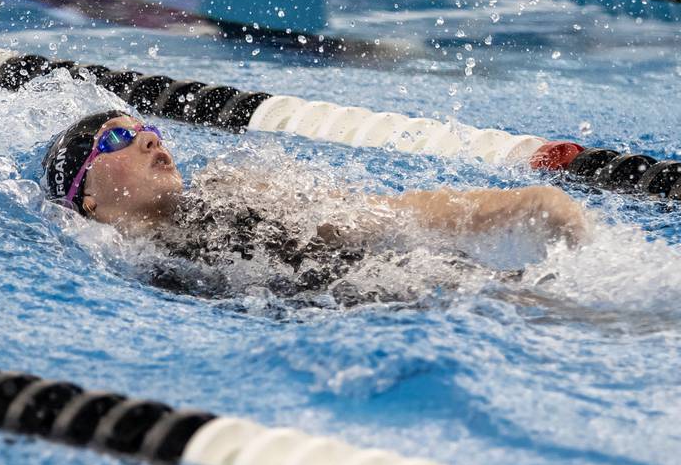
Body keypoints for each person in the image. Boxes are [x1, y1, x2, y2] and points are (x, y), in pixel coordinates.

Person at [41, 110, 588, 305]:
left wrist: (526, 203)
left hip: (421, 283)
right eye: (118, 140)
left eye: (149, 129)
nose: (150, 140)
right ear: (88, 198)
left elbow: (386, 215)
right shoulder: (112, 265)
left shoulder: (233, 189)